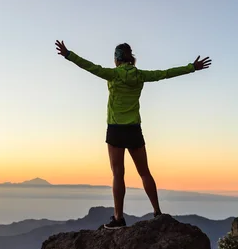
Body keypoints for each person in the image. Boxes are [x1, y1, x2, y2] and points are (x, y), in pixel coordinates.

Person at [55, 40, 212, 229]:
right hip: (134, 129)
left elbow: (89, 67)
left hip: (115, 129)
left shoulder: (112, 75)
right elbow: (165, 74)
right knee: (144, 172)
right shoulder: (141, 76)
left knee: (118, 174)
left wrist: (68, 54)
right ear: (131, 58)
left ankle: (118, 218)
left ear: (116, 59)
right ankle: (157, 212)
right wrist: (192, 67)